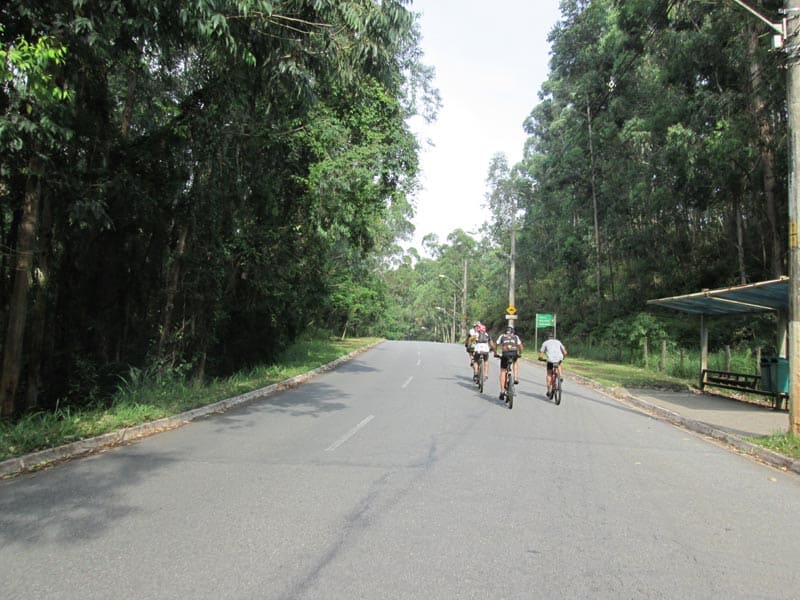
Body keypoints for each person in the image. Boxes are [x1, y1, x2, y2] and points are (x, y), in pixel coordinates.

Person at [495, 325, 523, 401]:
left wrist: (495, 352)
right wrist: (520, 353)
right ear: (513, 332)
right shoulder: (516, 337)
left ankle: (502, 391)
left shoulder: (502, 336)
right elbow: (521, 347)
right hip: (514, 354)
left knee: (503, 371)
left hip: (505, 354)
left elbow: (496, 344)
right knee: (515, 362)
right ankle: (515, 378)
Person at [539, 331, 567, 398]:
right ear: (553, 337)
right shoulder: (558, 342)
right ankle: (560, 376)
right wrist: (563, 358)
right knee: (559, 364)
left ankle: (549, 390)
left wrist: (541, 359)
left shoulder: (545, 343)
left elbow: (541, 355)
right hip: (559, 358)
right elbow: (565, 352)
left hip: (550, 360)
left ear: (548, 337)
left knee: (549, 374)